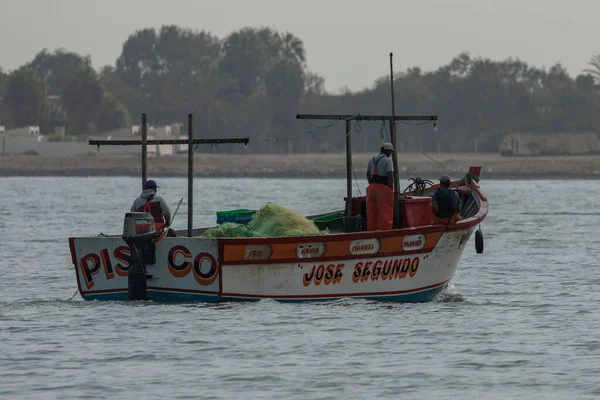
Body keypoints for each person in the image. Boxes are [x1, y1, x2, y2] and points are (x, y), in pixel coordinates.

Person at [365, 143, 395, 231]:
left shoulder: (372, 160)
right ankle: (384, 230)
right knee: (385, 211)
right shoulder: (387, 161)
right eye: (390, 152)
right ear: (388, 151)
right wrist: (391, 188)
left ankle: (371, 229)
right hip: (383, 188)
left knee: (372, 211)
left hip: (372, 188)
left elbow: (367, 175)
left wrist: (371, 184)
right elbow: (390, 175)